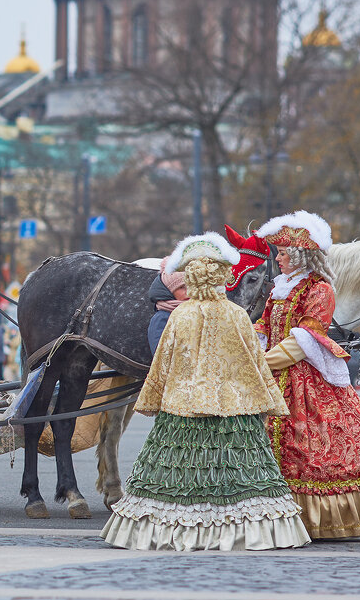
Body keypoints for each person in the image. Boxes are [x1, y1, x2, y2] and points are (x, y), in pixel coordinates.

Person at [102, 232, 310, 551]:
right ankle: (246, 530)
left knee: (178, 470)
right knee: (238, 469)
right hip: (233, 408)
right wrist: (268, 400)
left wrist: (153, 400)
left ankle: (175, 529)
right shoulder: (237, 316)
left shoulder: (179, 316)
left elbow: (162, 365)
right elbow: (253, 363)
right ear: (222, 279)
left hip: (183, 407)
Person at [254, 210, 360, 539]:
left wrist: (260, 363)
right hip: (272, 373)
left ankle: (314, 519)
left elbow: (304, 340)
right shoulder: (279, 288)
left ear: (300, 256)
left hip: (305, 378)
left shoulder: (320, 290)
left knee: (316, 446)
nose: (277, 259)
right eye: (277, 253)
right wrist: (251, 345)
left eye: (282, 253)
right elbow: (264, 327)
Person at [145, 256, 187, 356]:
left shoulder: (197, 311)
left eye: (191, 286)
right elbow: (160, 356)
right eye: (181, 287)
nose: (188, 292)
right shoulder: (162, 318)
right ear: (170, 291)